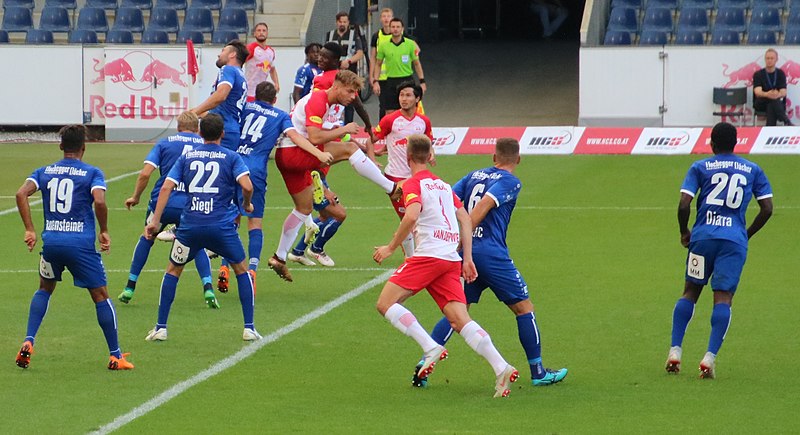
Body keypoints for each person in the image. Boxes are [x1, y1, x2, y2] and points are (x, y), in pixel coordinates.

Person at [373, 134, 519, 398]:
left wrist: (391, 247)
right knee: (460, 318)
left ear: (407, 158)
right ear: (431, 156)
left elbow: (412, 214)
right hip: (451, 259)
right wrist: (468, 258)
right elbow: (464, 219)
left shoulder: (412, 184)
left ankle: (430, 348)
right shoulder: (443, 185)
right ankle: (501, 367)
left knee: (385, 303)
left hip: (428, 256)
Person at [416, 138, 568, 388]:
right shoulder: (511, 181)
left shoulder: (474, 175)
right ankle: (538, 372)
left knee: (458, 311)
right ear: (518, 159)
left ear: (493, 156)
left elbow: (448, 198)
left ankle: (424, 365)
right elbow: (485, 204)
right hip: (491, 255)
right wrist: (461, 240)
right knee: (523, 307)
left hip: (469, 256)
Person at [15, 125, 134, 370]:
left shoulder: (45, 171)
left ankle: (29, 340)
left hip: (52, 244)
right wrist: (103, 230)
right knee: (101, 296)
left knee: (44, 289)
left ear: (60, 146)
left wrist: (29, 228)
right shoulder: (92, 173)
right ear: (84, 148)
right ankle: (116, 355)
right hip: (80, 246)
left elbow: (21, 194)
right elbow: (99, 200)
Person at [268, 70, 402, 282]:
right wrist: (344, 130)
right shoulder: (319, 99)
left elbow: (317, 133)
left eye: (355, 92)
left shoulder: (324, 103)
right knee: (348, 149)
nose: (352, 97)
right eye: (349, 91)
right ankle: (391, 187)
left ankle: (279, 257)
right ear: (336, 86)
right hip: (294, 153)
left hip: (286, 157)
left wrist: (344, 132)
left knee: (303, 209)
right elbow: (314, 137)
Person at [666, 122, 773, 379]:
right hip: (732, 242)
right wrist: (744, 235)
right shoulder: (752, 169)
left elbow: (683, 204)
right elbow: (767, 208)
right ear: (736, 143)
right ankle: (709, 358)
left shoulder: (700, 167)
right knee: (723, 298)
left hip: (702, 239)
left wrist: (684, 231)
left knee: (690, 291)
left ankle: (675, 351)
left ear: (711, 144)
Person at [143, 114, 260, 342]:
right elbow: (247, 185)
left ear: (200, 134)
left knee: (173, 270)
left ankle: (161, 327)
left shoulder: (187, 157)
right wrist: (245, 204)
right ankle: (249, 327)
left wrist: (155, 221)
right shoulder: (231, 157)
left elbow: (166, 187)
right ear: (222, 134)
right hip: (221, 227)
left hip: (190, 227)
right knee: (241, 270)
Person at [285, 43, 379, 268]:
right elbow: (318, 133)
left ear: (336, 60)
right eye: (318, 56)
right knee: (338, 214)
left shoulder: (330, 99)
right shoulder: (321, 86)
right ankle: (314, 248)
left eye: (324, 57)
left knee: (325, 213)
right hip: (313, 153)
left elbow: (351, 108)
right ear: (339, 87)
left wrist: (360, 130)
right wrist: (357, 129)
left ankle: (297, 251)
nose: (319, 59)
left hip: (324, 142)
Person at [119, 111, 218, 308]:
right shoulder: (203, 144)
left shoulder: (165, 143)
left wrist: (136, 196)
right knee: (195, 243)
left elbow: (145, 173)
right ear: (197, 128)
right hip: (191, 203)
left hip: (162, 202)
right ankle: (208, 288)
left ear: (178, 127)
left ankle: (130, 286)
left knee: (147, 237)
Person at [216, 82, 292, 293]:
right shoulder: (280, 115)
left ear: (254, 96)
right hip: (256, 170)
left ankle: (224, 266)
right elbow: (292, 135)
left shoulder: (245, 107)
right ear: (274, 99)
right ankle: (251, 271)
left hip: (233, 164)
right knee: (255, 222)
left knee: (232, 219)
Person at [372, 81, 433, 257]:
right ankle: (411, 257)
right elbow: (371, 139)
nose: (403, 99)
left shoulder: (423, 122)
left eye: (408, 95)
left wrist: (432, 153)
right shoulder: (390, 119)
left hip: (417, 178)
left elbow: (428, 141)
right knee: (408, 218)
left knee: (416, 217)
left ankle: (411, 255)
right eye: (401, 95)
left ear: (417, 99)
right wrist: (372, 159)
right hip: (394, 179)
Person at [192, 40, 249, 151]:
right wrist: (199, 113)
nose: (219, 54)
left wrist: (194, 113)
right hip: (231, 129)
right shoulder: (241, 75)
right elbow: (225, 108)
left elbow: (220, 96)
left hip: (219, 130)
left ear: (232, 54)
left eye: (223, 51)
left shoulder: (228, 69)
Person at [372, 18, 427, 117]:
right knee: (389, 111)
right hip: (391, 81)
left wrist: (422, 82)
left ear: (402, 29)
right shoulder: (384, 46)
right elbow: (378, 64)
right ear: (390, 28)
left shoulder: (410, 44)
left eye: (398, 27)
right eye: (393, 27)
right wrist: (375, 81)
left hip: (407, 80)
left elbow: (417, 63)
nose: (395, 29)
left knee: (409, 109)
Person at [326, 12, 365, 124]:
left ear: (348, 23)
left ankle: (348, 126)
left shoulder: (354, 35)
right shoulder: (330, 35)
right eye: (340, 22)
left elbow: (360, 53)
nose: (342, 24)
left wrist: (348, 61)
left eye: (345, 22)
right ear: (336, 22)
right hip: (334, 72)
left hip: (349, 72)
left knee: (349, 101)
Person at [753, 48, 793, 127]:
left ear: (776, 59)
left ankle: (769, 129)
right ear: (765, 59)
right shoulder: (758, 74)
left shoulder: (780, 73)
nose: (769, 60)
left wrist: (776, 95)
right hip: (761, 102)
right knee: (774, 101)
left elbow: (783, 92)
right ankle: (785, 119)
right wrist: (768, 94)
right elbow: (757, 92)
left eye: (772, 58)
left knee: (772, 105)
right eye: (767, 58)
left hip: (775, 102)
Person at [245, 22, 280, 102]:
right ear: (254, 33)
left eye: (264, 31)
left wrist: (276, 83)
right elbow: (239, 62)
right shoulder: (251, 48)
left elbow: (272, 69)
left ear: (267, 33)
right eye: (259, 30)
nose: (261, 33)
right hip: (250, 91)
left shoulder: (270, 51)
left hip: (262, 91)